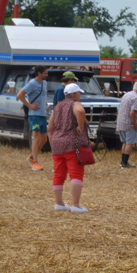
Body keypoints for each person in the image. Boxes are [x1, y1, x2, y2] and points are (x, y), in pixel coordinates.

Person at [47, 83, 90, 213]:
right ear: (75, 94)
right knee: (76, 174)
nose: (80, 96)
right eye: (79, 93)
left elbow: (50, 128)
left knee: (59, 174)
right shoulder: (75, 104)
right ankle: (76, 205)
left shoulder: (58, 106)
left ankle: (59, 203)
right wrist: (81, 126)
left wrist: (53, 144)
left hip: (57, 144)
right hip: (72, 144)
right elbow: (80, 111)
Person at [17, 65, 49, 171]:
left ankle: (31, 157)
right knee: (36, 138)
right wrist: (30, 105)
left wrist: (45, 105)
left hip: (43, 114)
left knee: (44, 138)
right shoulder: (32, 83)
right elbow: (20, 95)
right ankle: (35, 162)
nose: (47, 75)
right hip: (34, 115)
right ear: (39, 73)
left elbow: (43, 96)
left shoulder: (45, 83)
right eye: (45, 73)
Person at [116, 81, 137, 168]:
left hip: (121, 122)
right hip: (129, 124)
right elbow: (132, 113)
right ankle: (125, 163)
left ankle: (122, 162)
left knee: (124, 142)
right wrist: (135, 123)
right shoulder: (136, 98)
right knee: (129, 143)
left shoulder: (126, 95)